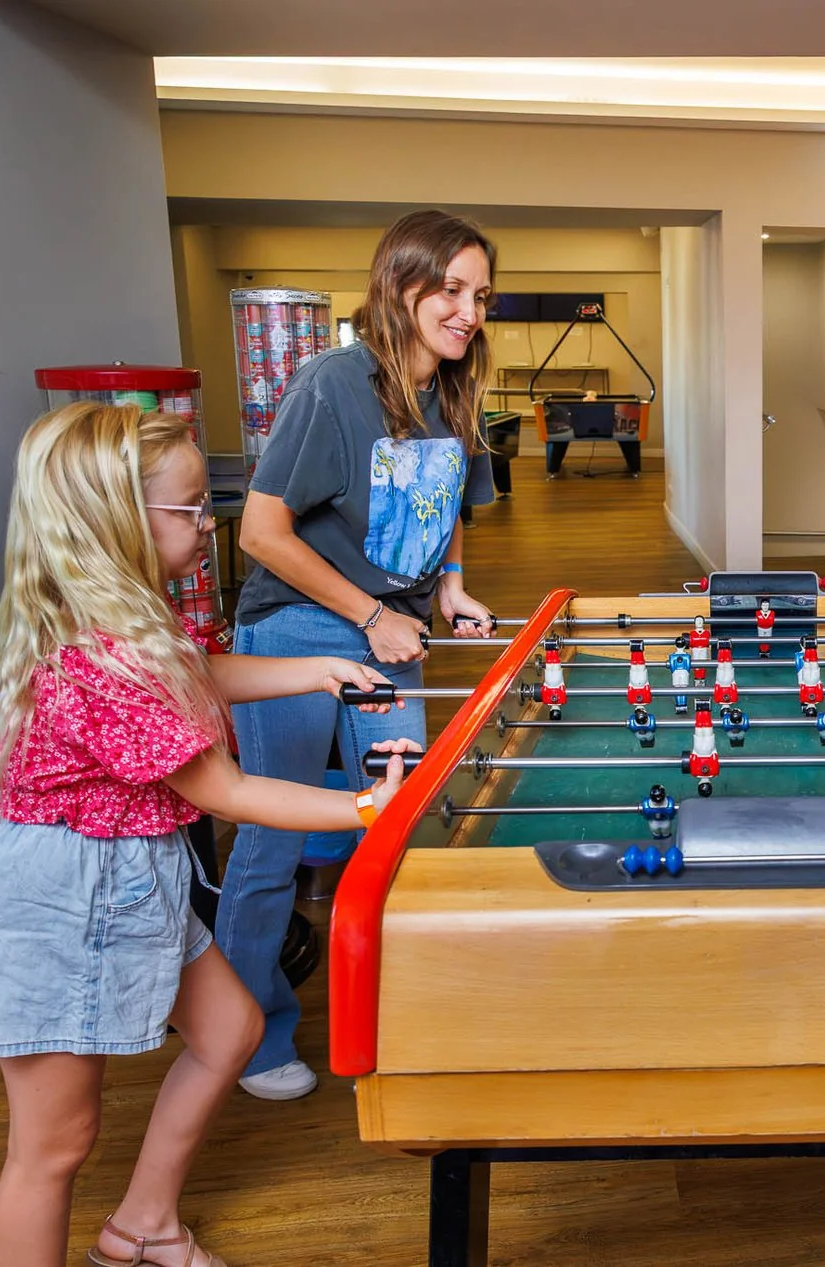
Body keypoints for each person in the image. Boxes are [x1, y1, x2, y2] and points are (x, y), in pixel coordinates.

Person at [0, 403, 417, 1267]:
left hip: (133, 878)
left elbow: (201, 671)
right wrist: (369, 807)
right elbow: (227, 791)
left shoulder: (135, 620)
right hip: (65, 900)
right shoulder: (100, 655)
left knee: (230, 1030)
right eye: (192, 509)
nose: (210, 528)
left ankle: (142, 1227)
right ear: (118, 517)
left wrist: (318, 669)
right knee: (52, 1149)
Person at [222, 209, 499, 1099]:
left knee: (399, 822)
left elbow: (449, 494)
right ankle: (252, 1034)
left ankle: (400, 1011)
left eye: (480, 295)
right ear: (401, 285)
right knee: (276, 837)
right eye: (450, 290)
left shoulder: (455, 387)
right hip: (298, 628)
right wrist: (372, 612)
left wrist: (449, 582)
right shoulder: (334, 382)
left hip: (393, 635)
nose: (467, 312)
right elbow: (262, 534)